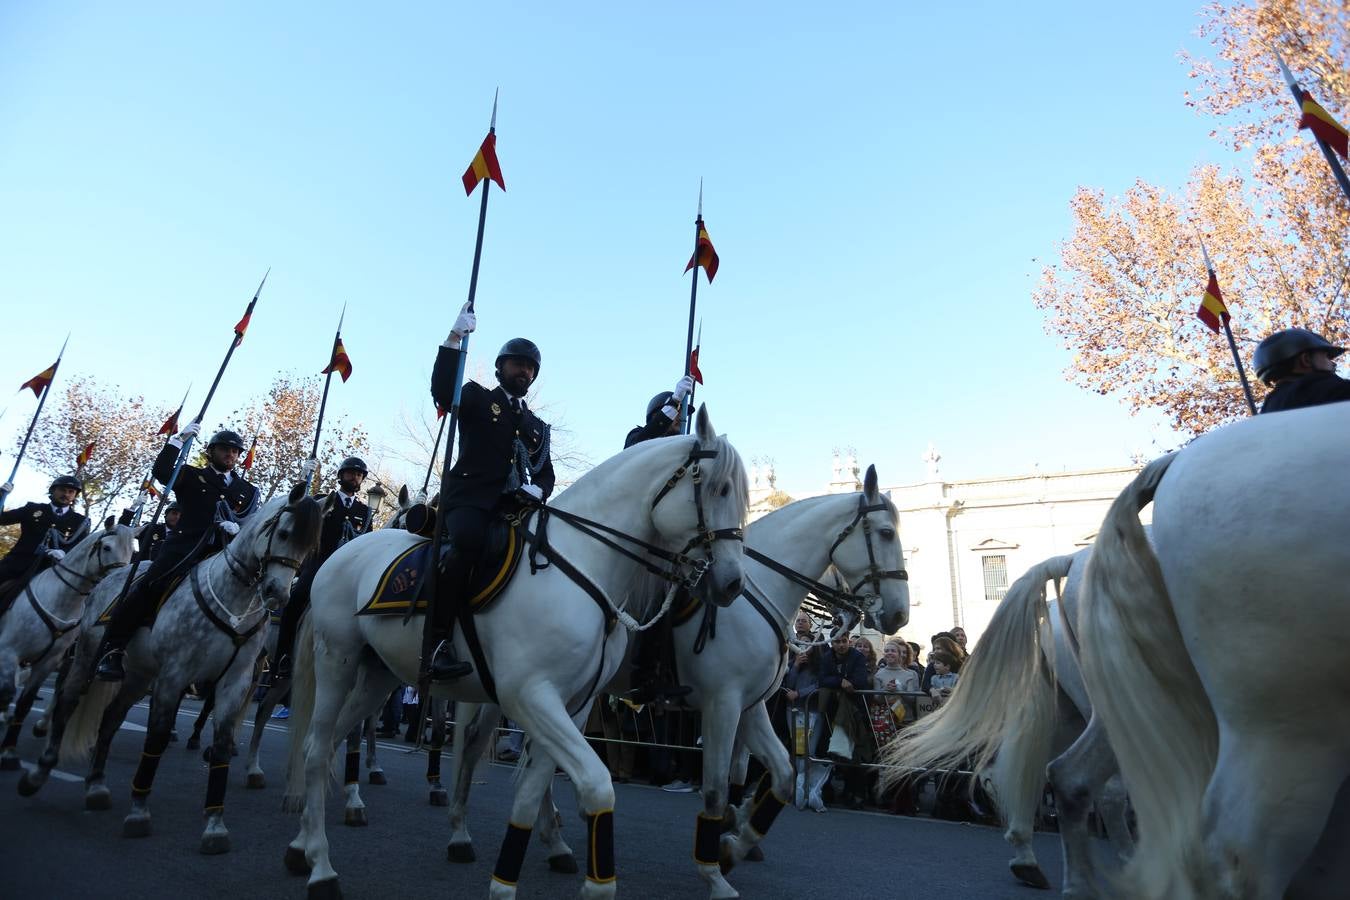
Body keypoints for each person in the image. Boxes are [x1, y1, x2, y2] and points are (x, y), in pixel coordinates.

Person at [425, 305, 555, 682]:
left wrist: (538, 489)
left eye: (530, 368)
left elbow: (546, 471)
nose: (524, 372)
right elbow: (442, 392)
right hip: (470, 498)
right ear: (500, 368)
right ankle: (437, 642)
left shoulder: (536, 426)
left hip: (515, 507)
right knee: (467, 542)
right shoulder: (478, 398)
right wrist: (453, 341)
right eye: (517, 364)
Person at [95, 423, 259, 681]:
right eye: (224, 449)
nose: (230, 454)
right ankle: (113, 647)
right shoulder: (190, 475)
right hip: (185, 547)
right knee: (151, 584)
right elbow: (162, 472)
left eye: (235, 451)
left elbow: (251, 520)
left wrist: (237, 527)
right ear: (211, 451)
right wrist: (177, 441)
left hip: (224, 552)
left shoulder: (248, 490)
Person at [620, 374, 697, 704]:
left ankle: (679, 669)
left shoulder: (683, 452)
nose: (677, 422)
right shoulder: (639, 439)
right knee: (656, 599)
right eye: (673, 416)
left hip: (671, 541)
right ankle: (642, 675)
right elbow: (642, 443)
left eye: (681, 418)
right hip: (637, 540)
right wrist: (674, 401)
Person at [272, 455, 371, 680]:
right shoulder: (320, 500)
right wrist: (302, 478)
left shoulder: (365, 512)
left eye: (358, 474)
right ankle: (283, 657)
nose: (354, 477)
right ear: (340, 476)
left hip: (349, 570)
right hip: (319, 565)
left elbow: (366, 541)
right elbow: (297, 515)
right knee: (294, 601)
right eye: (350, 473)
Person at [0, 475, 89, 615]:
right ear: (53, 491)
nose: (66, 494)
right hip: (17, 564)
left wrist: (65, 552)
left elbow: (81, 547)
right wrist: (1, 494)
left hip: (51, 570)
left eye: (71, 492)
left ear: (75, 496)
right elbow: (2, 519)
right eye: (62, 490)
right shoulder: (32, 509)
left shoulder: (81, 521)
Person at [1254, 328, 1350, 414]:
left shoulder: (1267, 410)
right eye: (1327, 357)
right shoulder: (1333, 390)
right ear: (1306, 360)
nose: (1333, 363)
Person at [624, 375, 695, 448]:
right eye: (676, 411)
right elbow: (637, 447)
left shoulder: (682, 447)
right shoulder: (635, 436)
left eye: (682, 413)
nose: (680, 417)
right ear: (655, 415)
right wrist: (675, 401)